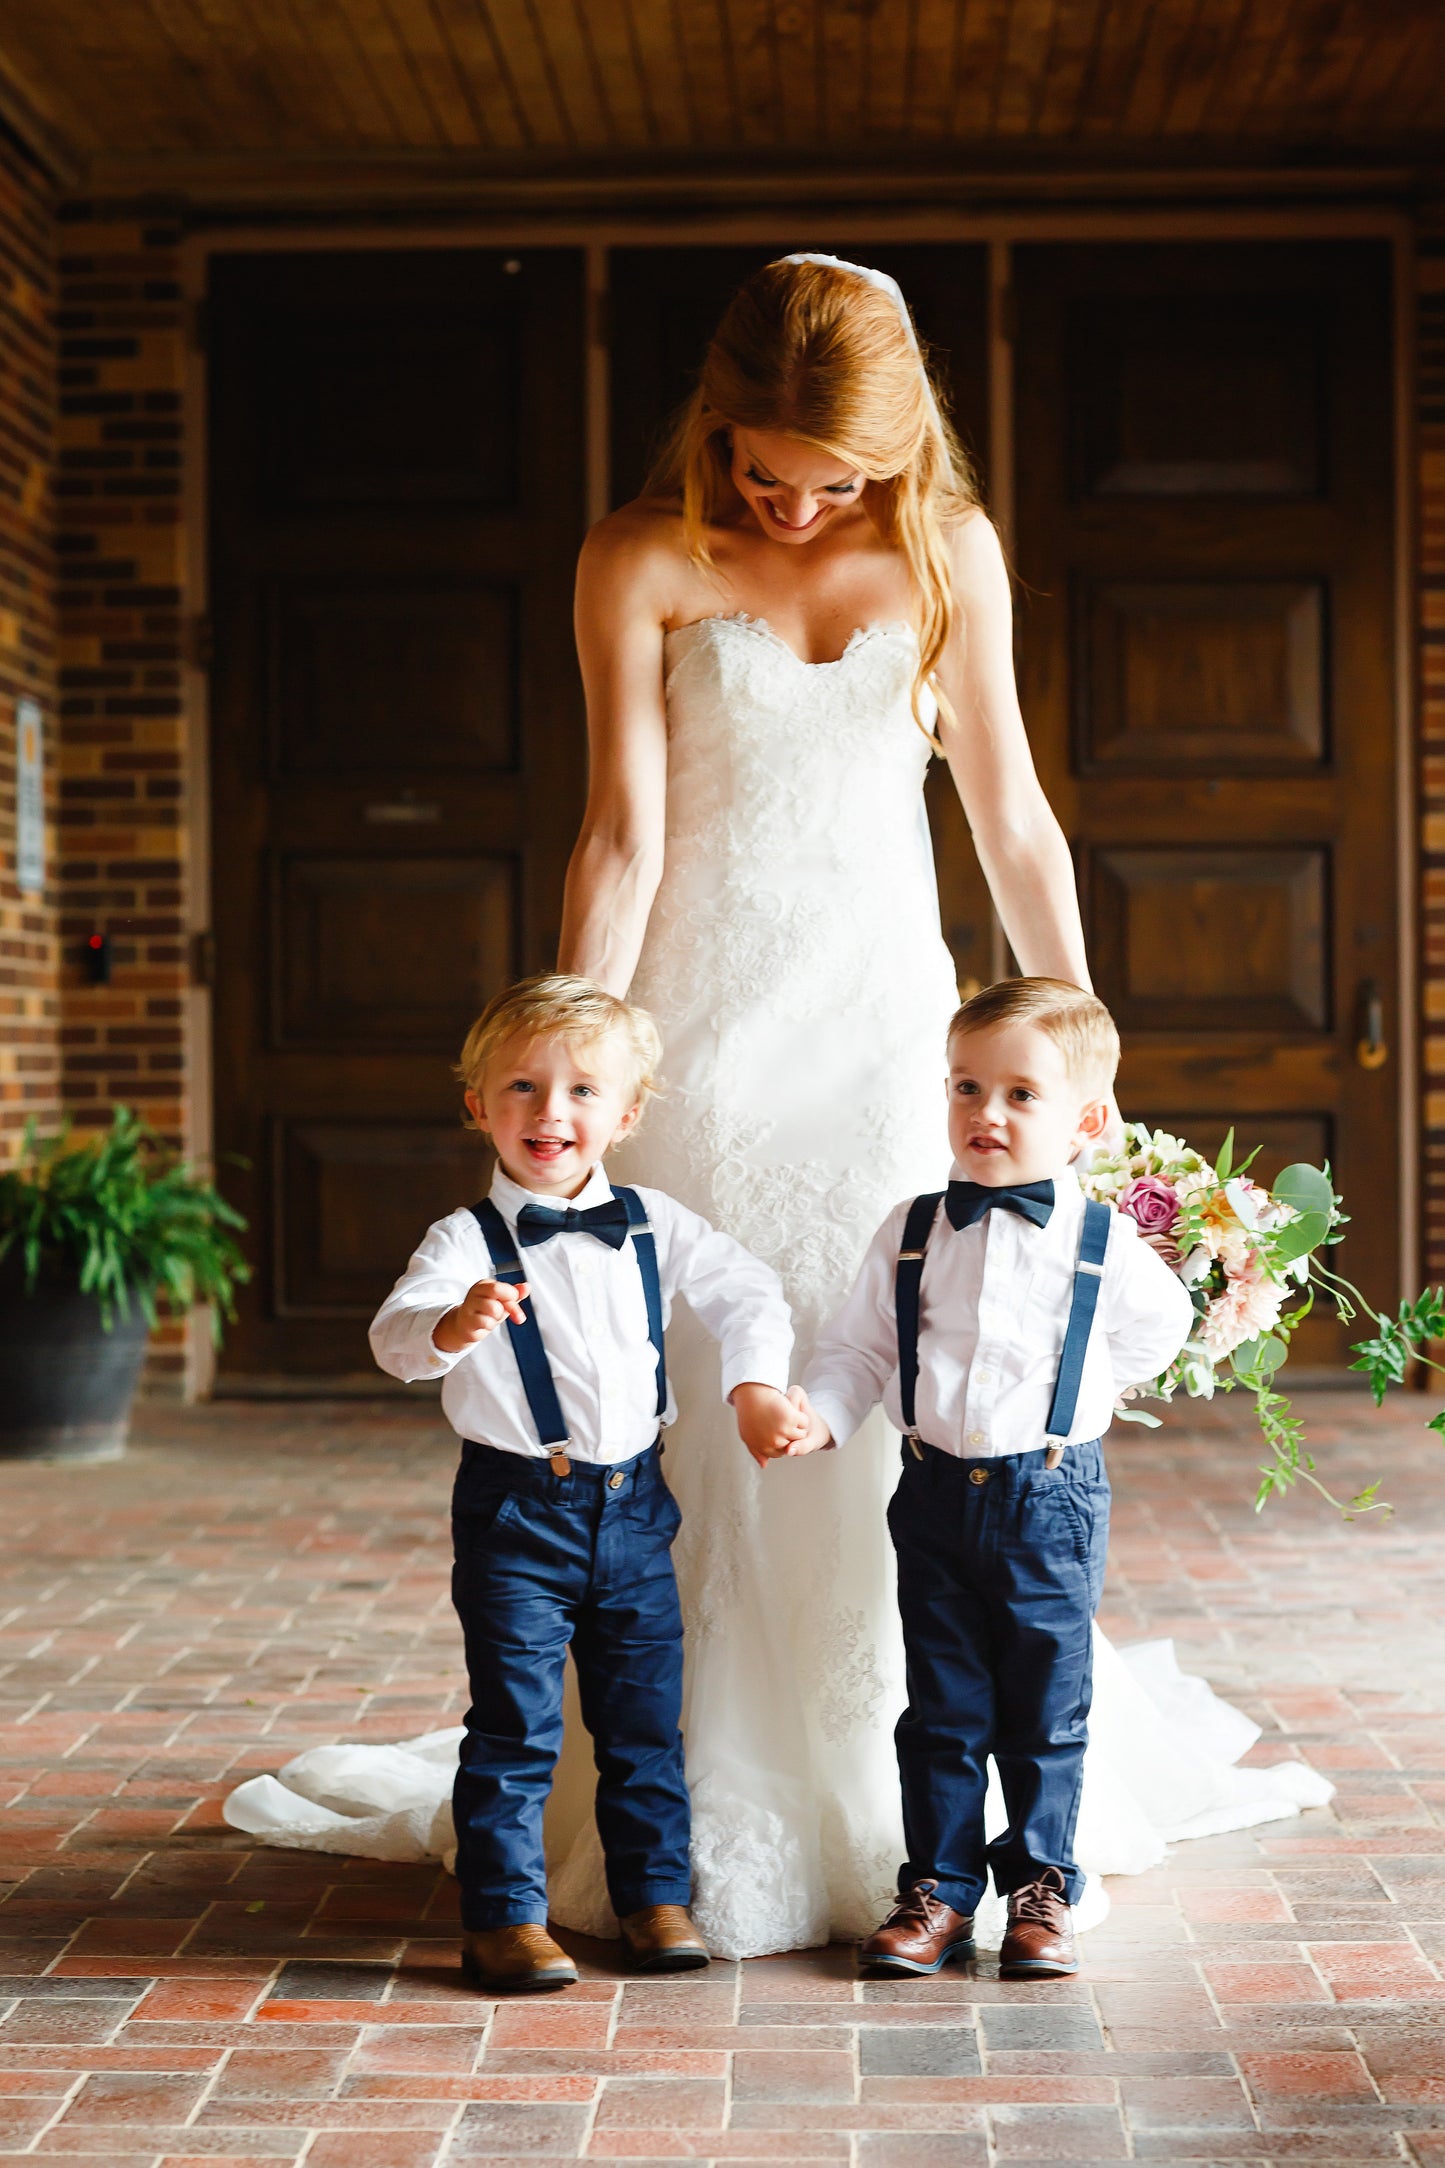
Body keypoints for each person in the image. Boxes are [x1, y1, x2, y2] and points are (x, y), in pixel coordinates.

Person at [545, 250, 1330, 1960]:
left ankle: (957, 1833)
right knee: (722, 1398)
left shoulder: (945, 551)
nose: (800, 496)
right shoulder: (641, 557)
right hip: (710, 1027)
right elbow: (621, 831)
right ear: (715, 413)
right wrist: (582, 1060)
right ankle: (704, 1814)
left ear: (901, 456)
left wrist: (1089, 1053)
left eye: (839, 474)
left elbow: (1015, 822)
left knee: (916, 1386)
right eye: (769, 462)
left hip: (894, 1029)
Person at [367, 974, 801, 1990]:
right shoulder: (463, 1238)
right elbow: (394, 1338)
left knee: (643, 1717)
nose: (548, 1111)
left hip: (633, 1505)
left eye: (579, 1090)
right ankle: (504, 1918)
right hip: (517, 1508)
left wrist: (751, 1383)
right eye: (520, 1085)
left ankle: (653, 1896)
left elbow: (748, 1289)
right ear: (477, 1103)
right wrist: (448, 1324)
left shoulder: (652, 1220)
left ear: (626, 1111)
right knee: (515, 1721)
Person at [782, 979, 1194, 1979]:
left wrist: (1072, 1403)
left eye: (1018, 1093)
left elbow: (1154, 1332)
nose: (986, 1113)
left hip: (1046, 1495)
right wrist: (822, 1415)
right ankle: (936, 1888)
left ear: (1084, 1120)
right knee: (941, 1704)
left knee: (1045, 1705)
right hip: (929, 1492)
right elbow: (857, 1348)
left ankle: (1041, 1885)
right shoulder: (912, 1226)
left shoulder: (1102, 1241)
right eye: (967, 1087)